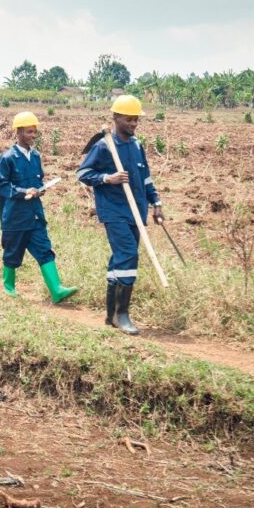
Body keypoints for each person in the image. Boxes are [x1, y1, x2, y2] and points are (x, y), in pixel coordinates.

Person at [76, 95, 163, 336]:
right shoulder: (104, 146)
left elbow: (145, 177)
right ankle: (122, 315)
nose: (133, 124)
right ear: (115, 118)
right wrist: (107, 178)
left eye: (136, 119)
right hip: (114, 211)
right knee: (128, 256)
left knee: (119, 260)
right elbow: (82, 173)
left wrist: (156, 201)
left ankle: (110, 314)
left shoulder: (136, 146)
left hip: (137, 210)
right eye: (129, 119)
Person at [0, 111, 77, 304]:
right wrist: (24, 191)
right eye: (29, 132)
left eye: (34, 132)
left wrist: (40, 190)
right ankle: (9, 288)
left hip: (35, 215)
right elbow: (0, 185)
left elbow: (37, 180)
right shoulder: (7, 158)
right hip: (14, 217)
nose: (33, 136)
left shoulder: (36, 156)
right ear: (19, 132)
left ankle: (56, 290)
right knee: (12, 252)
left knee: (45, 249)